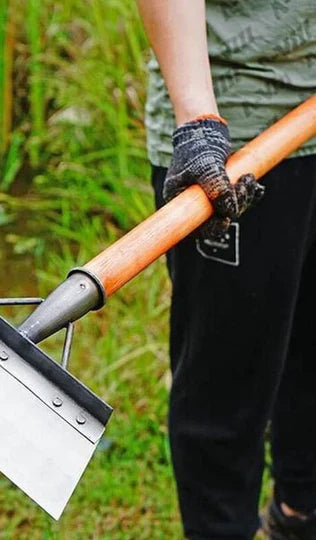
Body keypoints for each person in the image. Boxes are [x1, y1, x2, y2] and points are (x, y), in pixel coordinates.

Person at [135, 1, 316, 538]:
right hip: (238, 133)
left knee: (309, 346)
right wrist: (197, 122)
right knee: (226, 380)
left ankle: (300, 511)